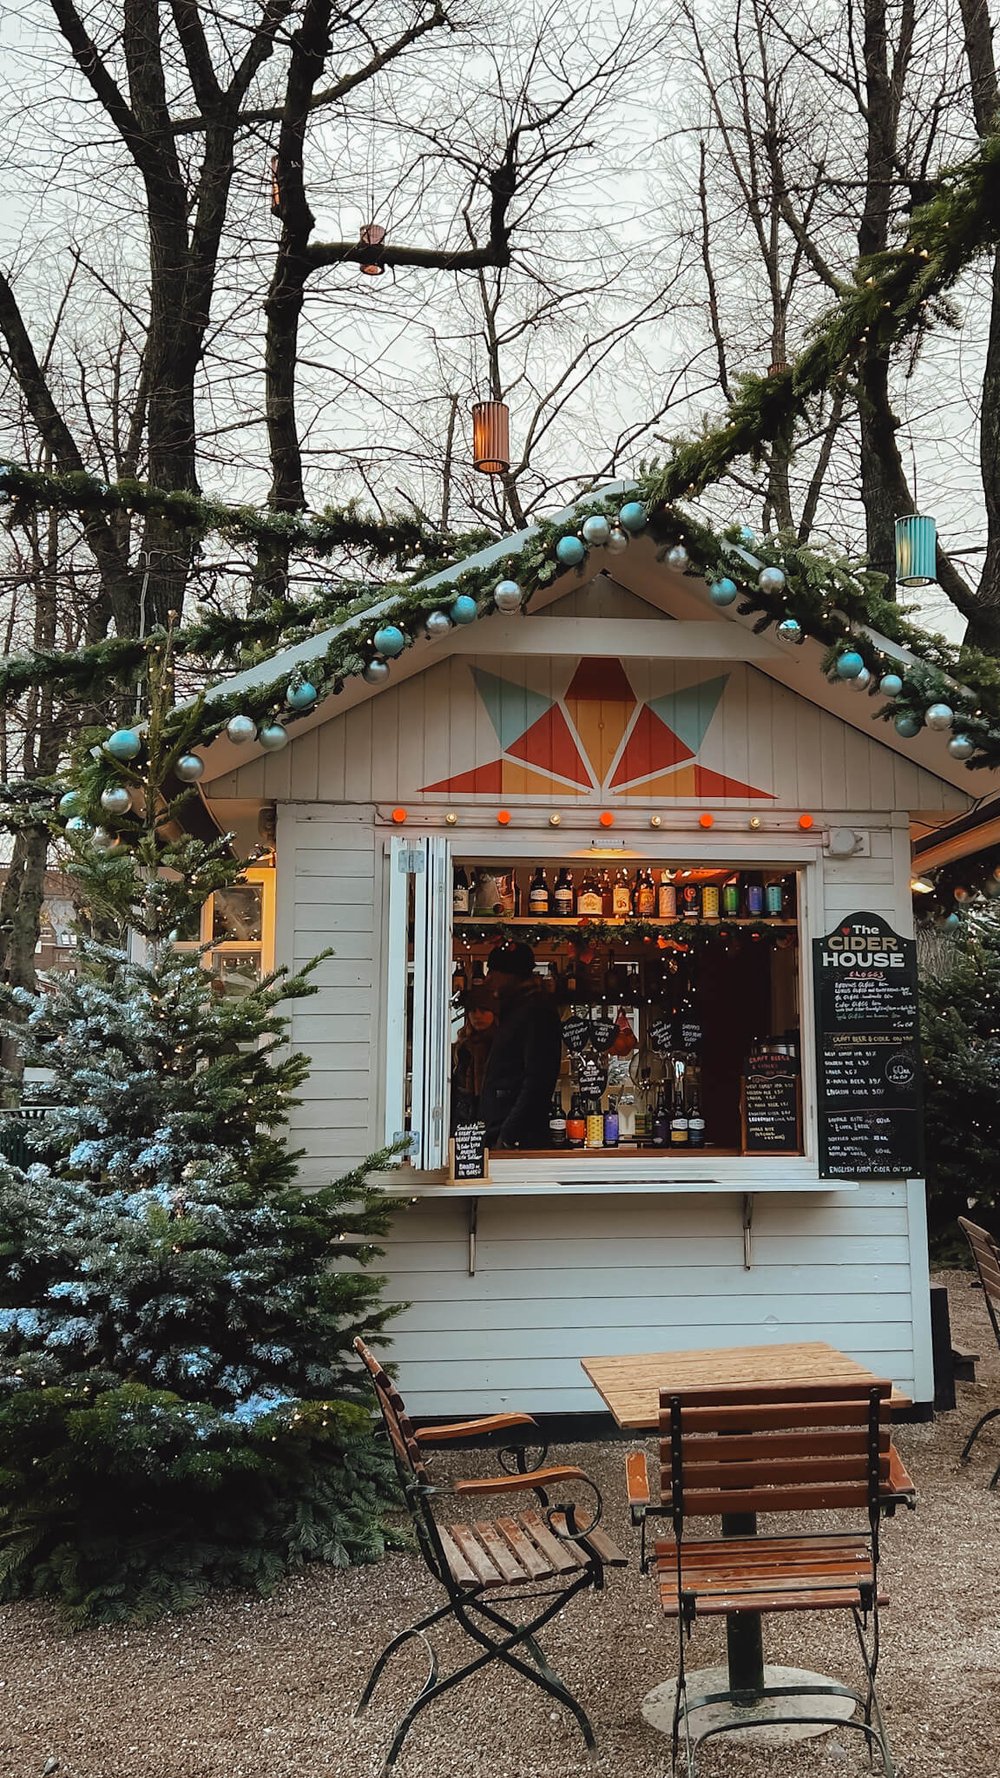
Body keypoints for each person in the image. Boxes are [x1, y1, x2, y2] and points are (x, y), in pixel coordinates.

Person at [478, 942, 564, 1149]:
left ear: (512, 975)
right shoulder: (518, 1009)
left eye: (494, 971)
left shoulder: (535, 1011)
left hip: (519, 1139)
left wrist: (508, 1135)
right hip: (504, 1130)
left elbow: (538, 1081)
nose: (488, 978)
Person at [451, 985, 497, 1126]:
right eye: (472, 1010)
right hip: (466, 1119)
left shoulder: (503, 1045)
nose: (477, 1015)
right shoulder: (461, 1047)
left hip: (496, 1116)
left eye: (483, 1010)